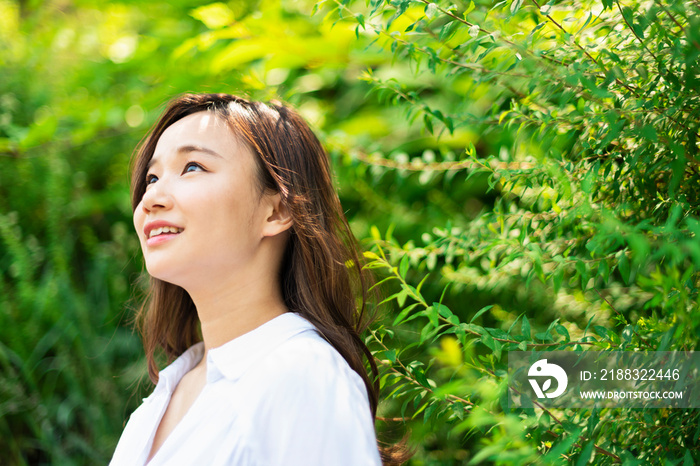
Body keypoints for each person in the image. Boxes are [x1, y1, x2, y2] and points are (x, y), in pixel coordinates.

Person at [110, 93, 401, 465]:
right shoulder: (169, 391)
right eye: (152, 177)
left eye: (192, 167)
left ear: (277, 210)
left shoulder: (301, 375)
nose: (151, 198)